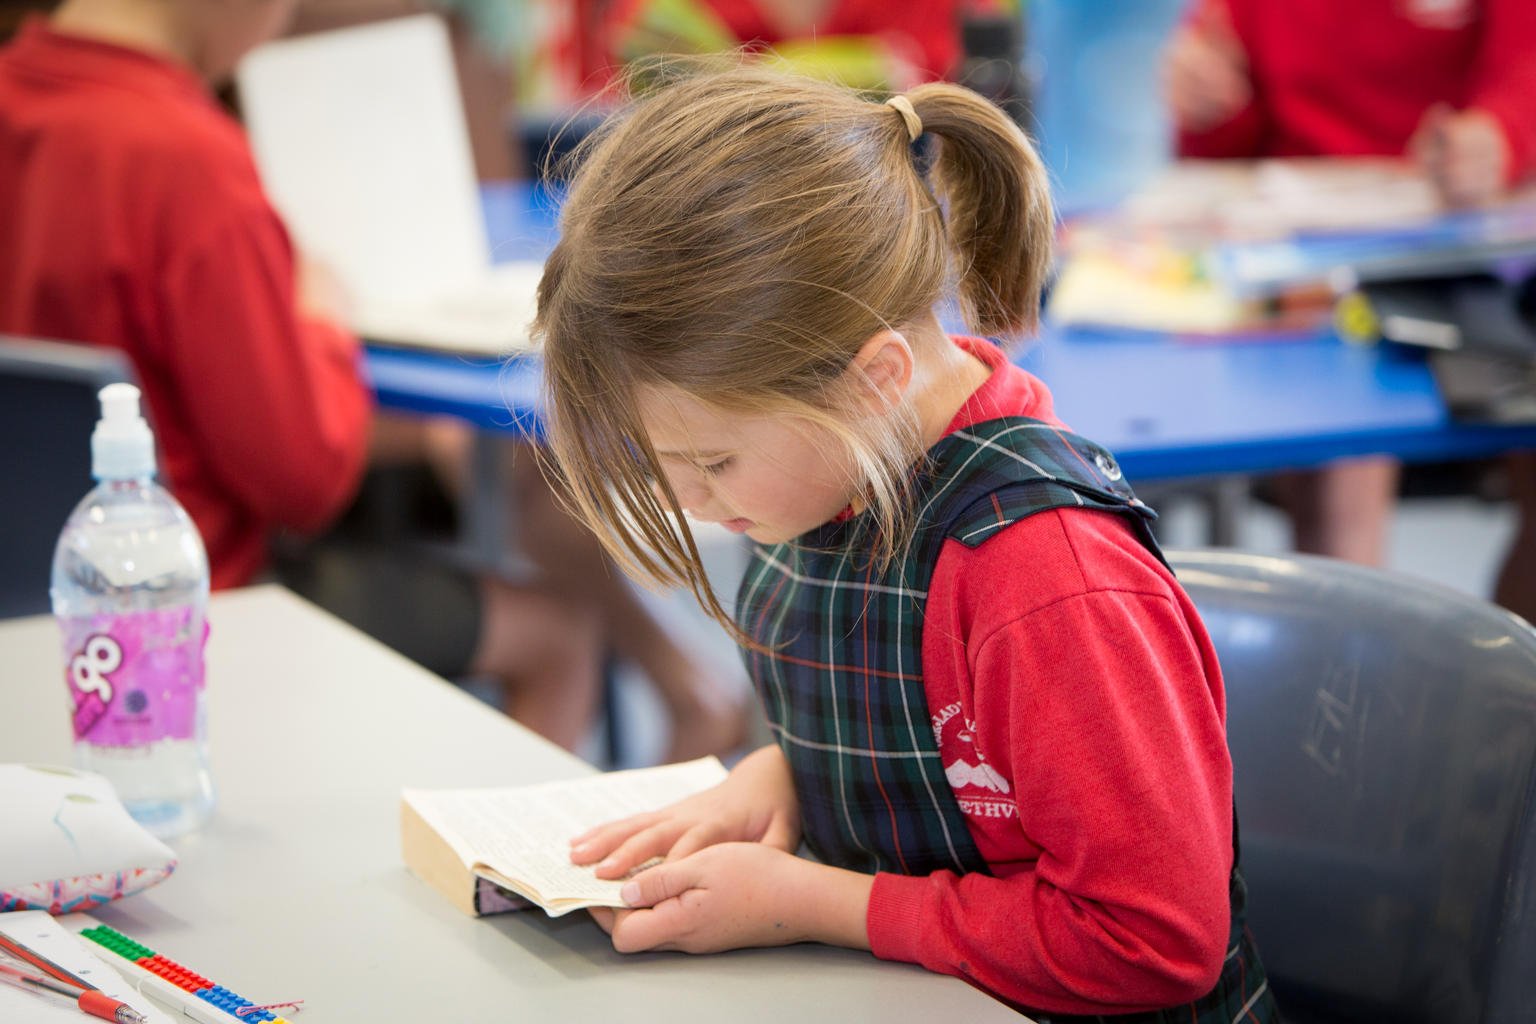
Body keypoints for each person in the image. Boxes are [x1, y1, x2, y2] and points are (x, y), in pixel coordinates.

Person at [533, 66, 1279, 1019]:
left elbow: (1153, 941)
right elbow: (930, 744)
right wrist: (785, 778)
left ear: (874, 381)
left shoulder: (1046, 578)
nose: (687, 499)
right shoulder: (818, 475)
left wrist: (822, 902)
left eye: (712, 461)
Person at [0, 0, 674, 755]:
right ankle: (497, 836)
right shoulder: (188, 158)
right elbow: (306, 479)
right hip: (200, 602)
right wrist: (319, 316)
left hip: (34, 596)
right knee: (559, 635)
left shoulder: (18, 94)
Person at [1162, 0, 1536, 567]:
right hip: (1311, 270)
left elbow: (1524, 71)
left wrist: (1501, 136)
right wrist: (1209, 103)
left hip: (1471, 257)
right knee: (1337, 502)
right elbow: (1221, 145)